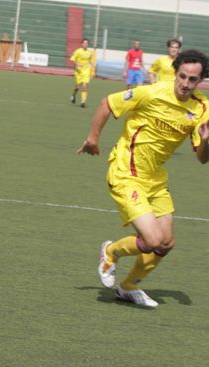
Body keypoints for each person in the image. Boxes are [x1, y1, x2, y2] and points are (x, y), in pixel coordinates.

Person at [77, 49, 209, 308]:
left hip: (155, 179)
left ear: (201, 80)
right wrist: (93, 138)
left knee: (166, 243)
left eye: (192, 79)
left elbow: (203, 158)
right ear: (175, 72)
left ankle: (127, 287)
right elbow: (108, 103)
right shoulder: (151, 92)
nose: (185, 83)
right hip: (126, 172)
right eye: (181, 76)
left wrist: (206, 141)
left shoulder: (202, 108)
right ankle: (111, 251)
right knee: (151, 241)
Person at [70, 38, 94, 108]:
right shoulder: (77, 51)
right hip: (78, 71)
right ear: (82, 44)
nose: (85, 44)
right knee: (77, 87)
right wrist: (77, 64)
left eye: (87, 43)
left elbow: (89, 60)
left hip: (86, 71)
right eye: (84, 43)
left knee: (84, 86)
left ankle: (83, 102)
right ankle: (73, 95)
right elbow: (72, 59)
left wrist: (92, 64)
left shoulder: (90, 53)